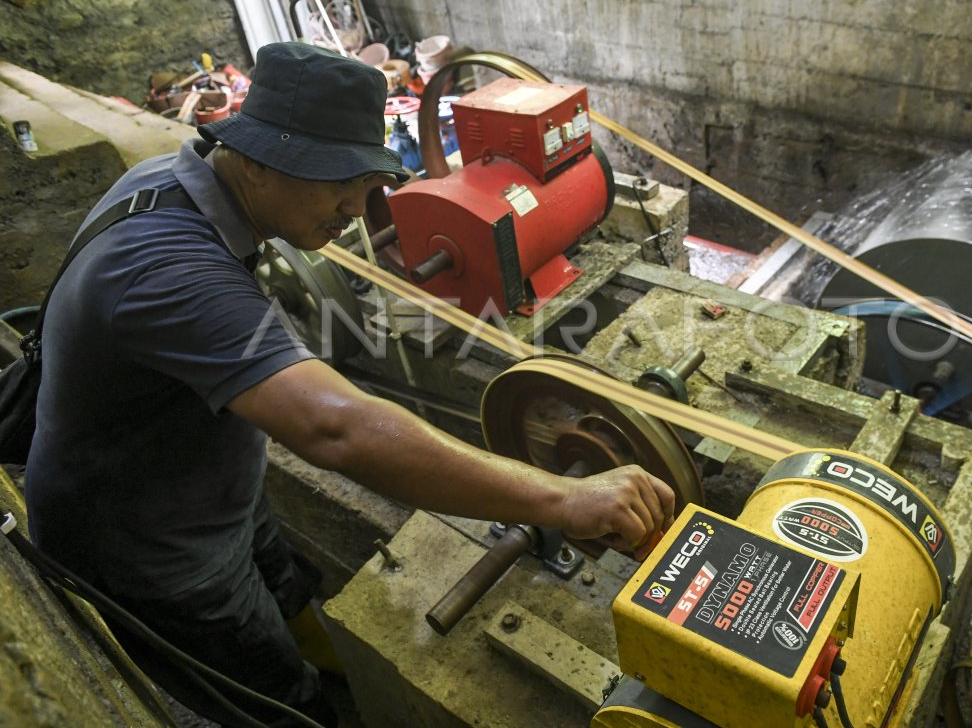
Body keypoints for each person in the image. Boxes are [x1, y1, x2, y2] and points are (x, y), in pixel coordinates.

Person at [23, 42, 675, 727]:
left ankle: (323, 660)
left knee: (286, 587)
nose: (362, 214)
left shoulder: (182, 181)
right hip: (144, 542)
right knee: (266, 689)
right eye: (340, 182)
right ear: (253, 159)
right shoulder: (166, 267)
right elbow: (337, 428)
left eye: (367, 184)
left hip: (206, 475)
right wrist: (564, 499)